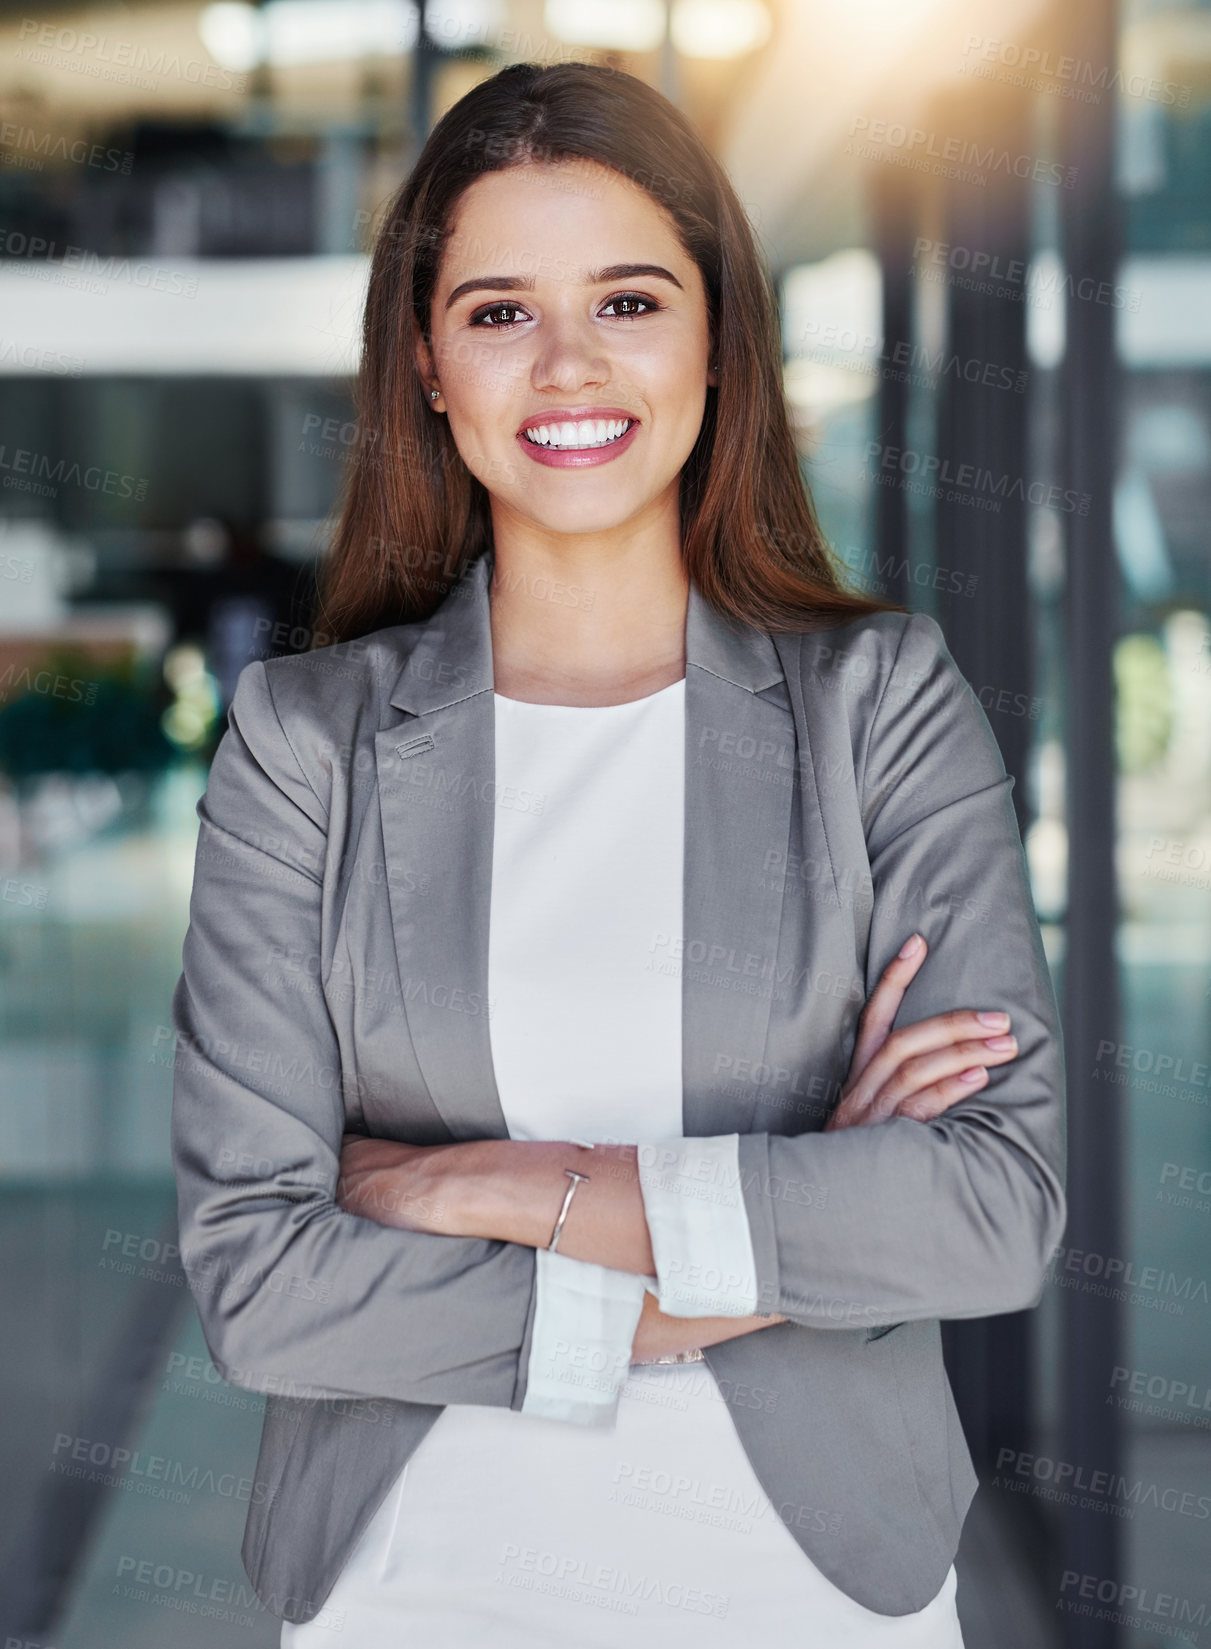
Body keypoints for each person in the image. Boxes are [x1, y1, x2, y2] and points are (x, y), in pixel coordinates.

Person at [170, 60, 1067, 1647]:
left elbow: (988, 1206)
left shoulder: (879, 708)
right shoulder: (306, 745)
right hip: (413, 1587)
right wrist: (790, 1228)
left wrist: (479, 1187)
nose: (568, 363)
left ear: (717, 341)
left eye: (631, 300)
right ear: (430, 367)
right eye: (501, 310)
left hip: (810, 1590)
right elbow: (259, 1284)